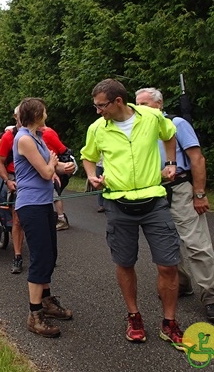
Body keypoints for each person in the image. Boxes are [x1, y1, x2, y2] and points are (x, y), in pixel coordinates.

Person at [81, 78, 184, 348]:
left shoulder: (151, 117)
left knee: (168, 265)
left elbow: (170, 134)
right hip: (118, 204)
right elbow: (88, 156)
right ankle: (134, 316)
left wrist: (171, 162)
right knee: (125, 263)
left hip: (154, 201)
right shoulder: (97, 128)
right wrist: (92, 176)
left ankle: (169, 322)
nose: (97, 111)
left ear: (118, 102)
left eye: (101, 105)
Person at [135, 87, 214, 323]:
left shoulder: (176, 124)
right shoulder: (139, 130)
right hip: (155, 192)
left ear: (159, 104)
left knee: (196, 243)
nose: (139, 108)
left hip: (180, 188)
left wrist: (199, 193)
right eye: (137, 104)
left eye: (144, 103)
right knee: (167, 243)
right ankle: (182, 284)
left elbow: (197, 158)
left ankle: (211, 297)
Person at [14, 98, 74, 338]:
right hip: (31, 205)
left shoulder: (36, 136)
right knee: (40, 258)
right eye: (44, 111)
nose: (47, 114)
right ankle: (34, 314)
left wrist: (62, 168)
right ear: (37, 114)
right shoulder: (25, 139)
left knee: (50, 255)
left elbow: (51, 167)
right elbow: (46, 170)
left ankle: (47, 301)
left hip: (43, 202)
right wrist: (53, 165)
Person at [0, 107, 25, 274]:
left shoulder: (41, 133)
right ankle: (18, 256)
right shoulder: (9, 136)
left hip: (37, 180)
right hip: (15, 178)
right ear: (16, 116)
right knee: (17, 220)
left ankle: (42, 253)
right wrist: (7, 180)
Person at [42, 125, 74, 231]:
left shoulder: (47, 133)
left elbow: (63, 149)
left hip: (54, 166)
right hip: (46, 166)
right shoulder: (35, 135)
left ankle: (61, 219)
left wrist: (59, 165)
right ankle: (56, 217)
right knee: (51, 193)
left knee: (54, 192)